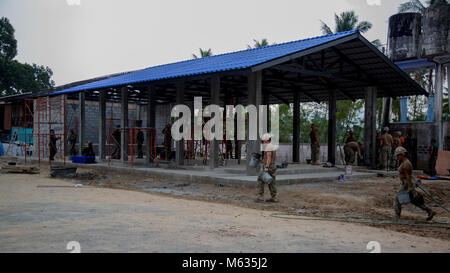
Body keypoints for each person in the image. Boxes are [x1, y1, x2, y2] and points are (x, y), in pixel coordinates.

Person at [393, 147, 436, 221]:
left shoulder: (406, 164)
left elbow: (408, 176)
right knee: (414, 200)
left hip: (407, 184)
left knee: (398, 198)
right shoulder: (404, 162)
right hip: (406, 183)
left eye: (398, 155)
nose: (397, 157)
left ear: (402, 154)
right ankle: (429, 211)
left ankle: (397, 215)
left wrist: (409, 187)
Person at [256, 133, 278, 203]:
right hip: (273, 165)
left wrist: (266, 167)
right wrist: (263, 160)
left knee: (260, 179)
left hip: (268, 166)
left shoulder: (268, 147)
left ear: (267, 140)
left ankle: (260, 196)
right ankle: (274, 197)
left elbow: (269, 157)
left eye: (264, 140)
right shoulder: (272, 146)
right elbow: (270, 157)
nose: (263, 142)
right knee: (272, 182)